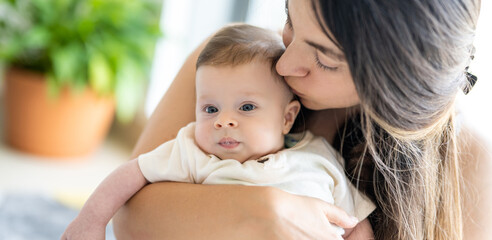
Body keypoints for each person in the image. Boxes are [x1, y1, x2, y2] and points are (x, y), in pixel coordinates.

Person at [114, 0, 492, 239]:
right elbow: (130, 218)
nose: (285, 63)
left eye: (325, 59)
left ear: (398, 84)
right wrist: (263, 212)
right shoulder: (231, 71)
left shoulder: (468, 161)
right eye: (290, 19)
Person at [62, 24, 376, 240]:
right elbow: (132, 174)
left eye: (247, 108)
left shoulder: (317, 157)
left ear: (287, 117)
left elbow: (353, 221)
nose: (223, 121)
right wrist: (90, 220)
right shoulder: (195, 154)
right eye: (210, 110)